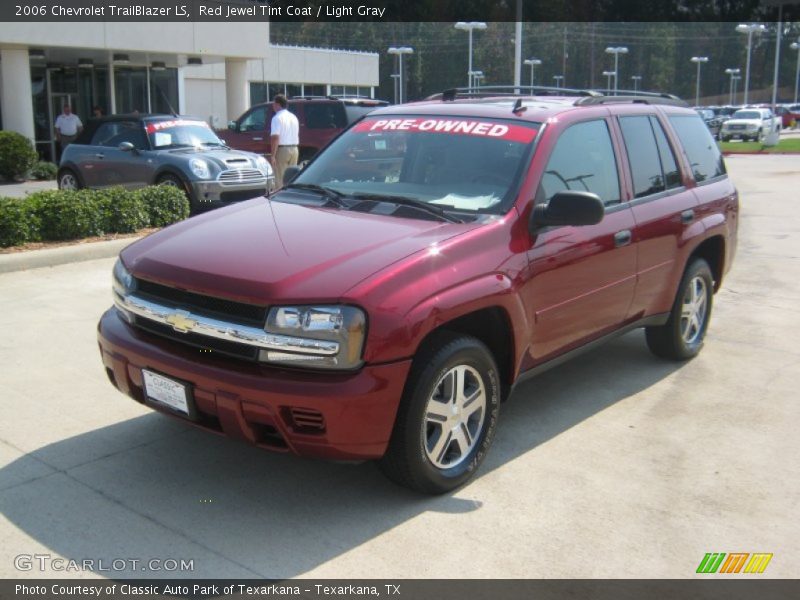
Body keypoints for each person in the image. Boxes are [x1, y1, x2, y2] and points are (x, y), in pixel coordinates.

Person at [269, 94, 299, 188]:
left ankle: (280, 200)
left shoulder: (277, 118)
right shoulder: (293, 117)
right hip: (294, 149)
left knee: (280, 179)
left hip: (282, 150)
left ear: (278, 104)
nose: (273, 106)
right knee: (291, 178)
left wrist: (273, 155)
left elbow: (275, 137)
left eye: (274, 103)